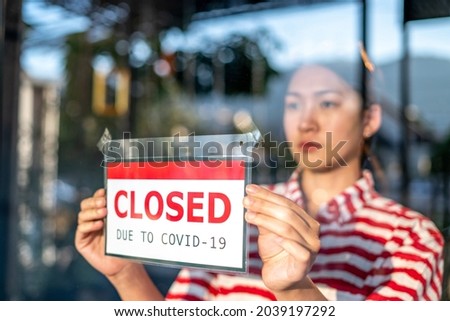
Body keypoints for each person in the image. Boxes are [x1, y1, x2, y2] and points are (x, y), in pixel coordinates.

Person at [75, 60, 444, 301]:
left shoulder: (411, 237)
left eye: (328, 103)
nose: (306, 122)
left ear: (370, 119)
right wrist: (126, 273)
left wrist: (296, 290)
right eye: (293, 104)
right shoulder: (233, 209)